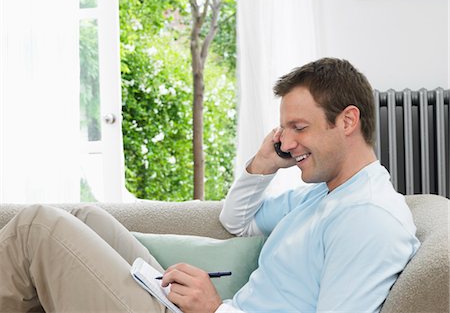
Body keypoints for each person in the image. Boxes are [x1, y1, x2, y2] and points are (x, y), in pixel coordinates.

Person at [0, 58, 420, 313]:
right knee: (83, 217)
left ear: (347, 121)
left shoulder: (368, 219)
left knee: (36, 227)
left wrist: (215, 308)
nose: (287, 142)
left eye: (299, 127)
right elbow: (235, 221)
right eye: (283, 128)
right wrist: (262, 164)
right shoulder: (324, 193)